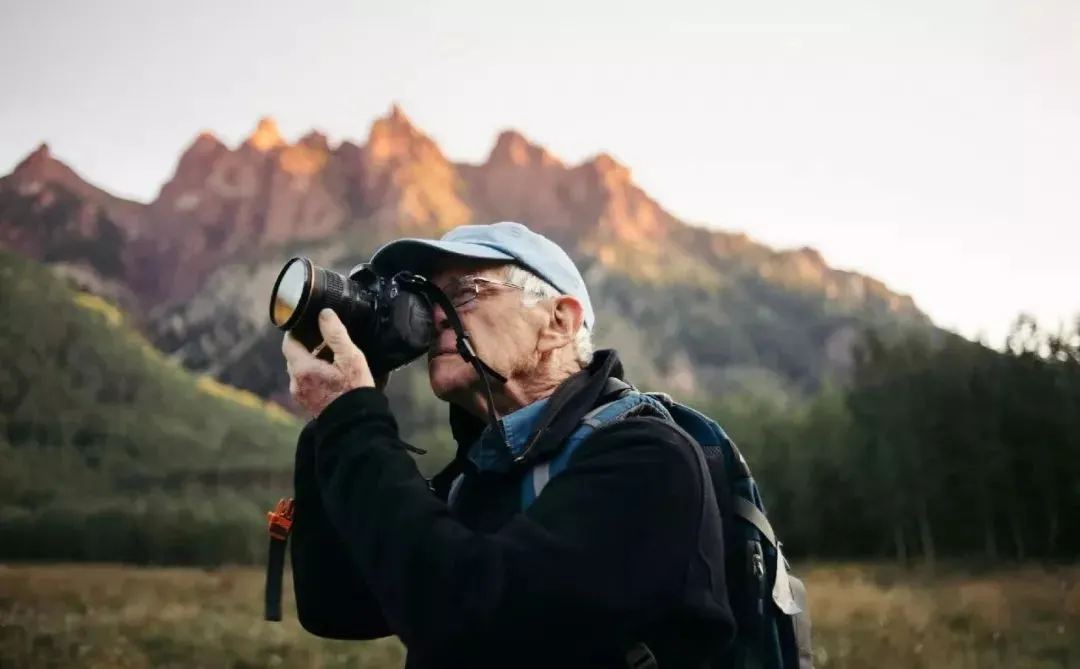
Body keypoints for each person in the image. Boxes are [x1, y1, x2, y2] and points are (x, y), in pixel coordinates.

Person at [281, 221, 737, 669]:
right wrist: (330, 422)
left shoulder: (648, 459)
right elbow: (337, 605)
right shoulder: (480, 473)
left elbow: (469, 615)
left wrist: (352, 418)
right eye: (427, 298)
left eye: (465, 293)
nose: (436, 314)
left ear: (559, 321)